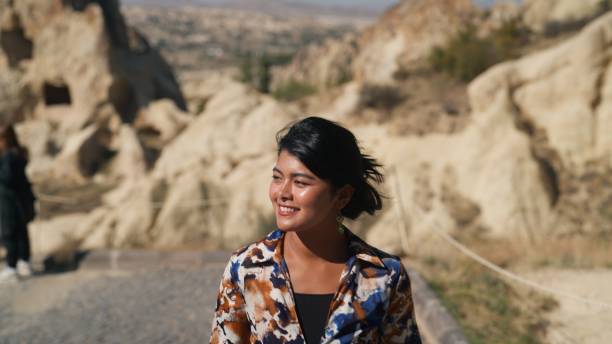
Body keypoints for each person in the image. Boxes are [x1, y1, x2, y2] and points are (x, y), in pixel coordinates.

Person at [210, 117, 421, 343]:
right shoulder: (245, 268)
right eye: (277, 178)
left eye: (300, 182)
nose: (283, 192)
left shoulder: (385, 276)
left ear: (342, 196)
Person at [0, 124, 35, 283]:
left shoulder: (7, 157)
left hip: (8, 200)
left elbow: (7, 178)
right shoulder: (17, 154)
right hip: (20, 200)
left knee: (9, 232)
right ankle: (23, 261)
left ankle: (11, 266)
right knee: (21, 231)